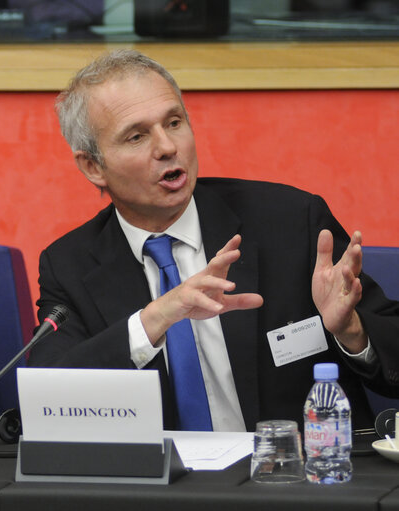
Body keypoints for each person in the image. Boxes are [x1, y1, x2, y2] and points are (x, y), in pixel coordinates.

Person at [29, 49, 399, 432]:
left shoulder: (290, 222)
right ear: (92, 166)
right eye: (137, 136)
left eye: (174, 123)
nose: (167, 147)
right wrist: (157, 316)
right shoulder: (69, 264)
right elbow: (48, 399)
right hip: (162, 487)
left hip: (295, 476)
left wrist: (351, 329)